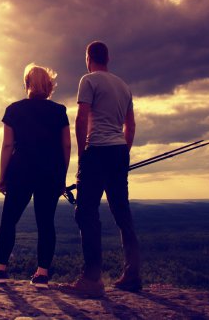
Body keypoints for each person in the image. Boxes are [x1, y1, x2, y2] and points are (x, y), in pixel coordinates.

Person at [61, 41, 141, 297]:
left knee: (85, 211)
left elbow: (81, 117)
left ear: (88, 58)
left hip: (96, 150)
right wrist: (124, 151)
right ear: (108, 58)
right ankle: (133, 274)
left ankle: (92, 278)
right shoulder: (124, 86)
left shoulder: (88, 80)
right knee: (121, 212)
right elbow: (131, 125)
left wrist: (84, 154)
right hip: (118, 152)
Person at [0, 63, 71, 288]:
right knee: (46, 223)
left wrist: (2, 176)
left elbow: (8, 145)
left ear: (27, 84)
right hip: (50, 173)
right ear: (49, 86)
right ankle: (42, 275)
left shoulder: (14, 110)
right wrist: (61, 177)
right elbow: (66, 146)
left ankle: (0, 269)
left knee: (9, 220)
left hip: (20, 171)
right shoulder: (59, 111)